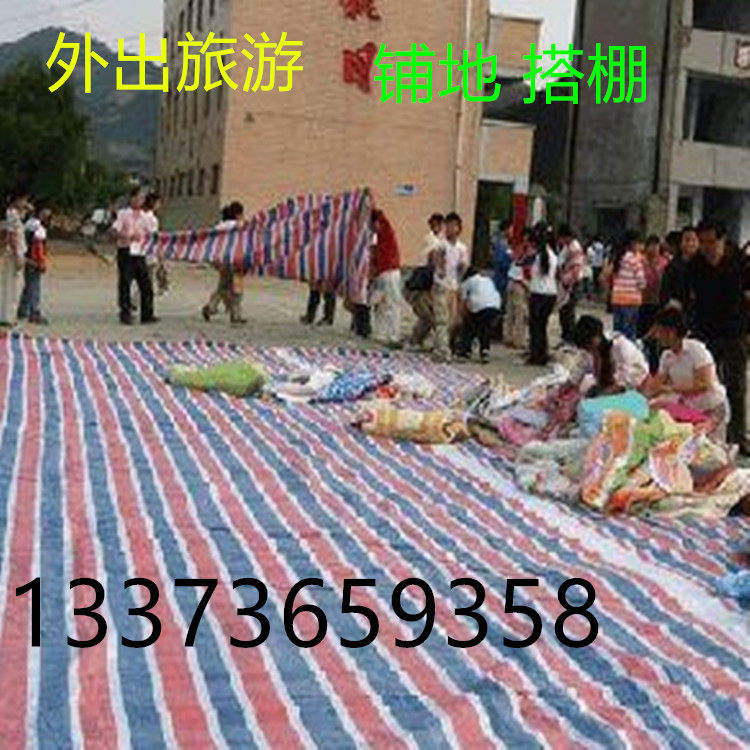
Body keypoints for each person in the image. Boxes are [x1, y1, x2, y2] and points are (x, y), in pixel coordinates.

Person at [688, 219, 750, 451]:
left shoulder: (739, 263)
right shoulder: (695, 265)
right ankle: (706, 434)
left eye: (711, 242)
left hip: (735, 333)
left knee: (736, 386)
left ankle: (738, 437)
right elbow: (688, 298)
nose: (706, 247)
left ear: (722, 240)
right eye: (702, 242)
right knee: (707, 387)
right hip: (705, 333)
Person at [647, 307, 729, 443]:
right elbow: (656, 384)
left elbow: (704, 384)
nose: (656, 336)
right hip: (691, 409)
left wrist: (669, 389)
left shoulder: (696, 350)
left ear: (671, 332)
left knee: (712, 448)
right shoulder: (666, 356)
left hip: (712, 408)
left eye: (659, 331)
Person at [572, 315, 649, 396]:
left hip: (635, 385)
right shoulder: (588, 350)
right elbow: (578, 371)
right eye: (586, 347)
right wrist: (565, 387)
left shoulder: (621, 346)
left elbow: (625, 380)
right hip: (610, 385)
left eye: (589, 344)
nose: (589, 349)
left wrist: (602, 394)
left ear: (598, 335)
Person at [431, 212, 469, 362]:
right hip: (441, 285)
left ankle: (442, 346)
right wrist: (440, 268)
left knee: (452, 321)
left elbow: (463, 267)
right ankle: (442, 350)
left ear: (458, 228)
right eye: (447, 225)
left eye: (453, 226)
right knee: (441, 319)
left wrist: (461, 271)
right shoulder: (441, 245)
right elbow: (437, 258)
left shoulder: (461, 248)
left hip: (453, 286)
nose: (449, 229)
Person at [202, 201, 247, 324]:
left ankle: (211, 308)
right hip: (236, 261)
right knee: (236, 289)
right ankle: (234, 315)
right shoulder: (239, 226)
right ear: (238, 214)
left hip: (222, 261)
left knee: (223, 287)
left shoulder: (219, 226)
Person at [405, 213, 443, 349]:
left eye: (439, 224)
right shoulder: (431, 241)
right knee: (427, 317)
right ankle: (414, 341)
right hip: (418, 288)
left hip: (424, 287)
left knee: (431, 316)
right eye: (434, 224)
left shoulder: (438, 242)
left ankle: (417, 340)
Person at [602, 231, 646, 340]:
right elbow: (641, 282)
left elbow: (606, 275)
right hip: (631, 300)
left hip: (617, 299)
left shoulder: (618, 257)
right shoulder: (635, 260)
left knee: (618, 332)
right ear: (633, 243)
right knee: (629, 334)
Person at [369, 209, 402, 347]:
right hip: (386, 272)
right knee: (387, 304)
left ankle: (385, 334)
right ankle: (388, 335)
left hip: (385, 271)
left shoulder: (381, 233)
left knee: (386, 304)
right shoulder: (380, 235)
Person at [527, 225, 558, 366]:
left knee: (535, 327)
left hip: (538, 293)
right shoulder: (553, 256)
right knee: (542, 326)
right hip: (550, 293)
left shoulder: (538, 257)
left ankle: (535, 355)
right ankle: (542, 354)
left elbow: (533, 274)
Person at [456, 267, 501, 363]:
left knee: (469, 326)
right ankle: (485, 350)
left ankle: (465, 350)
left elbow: (462, 301)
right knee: (485, 328)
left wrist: (461, 315)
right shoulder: (488, 280)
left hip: (479, 306)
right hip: (495, 305)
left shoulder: (468, 282)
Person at [638, 234, 668, 373]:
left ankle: (655, 368)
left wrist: (655, 268)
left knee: (656, 338)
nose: (654, 249)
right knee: (641, 336)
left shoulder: (664, 263)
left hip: (657, 304)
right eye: (651, 245)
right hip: (642, 303)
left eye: (656, 246)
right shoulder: (640, 262)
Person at [17, 206, 51, 324]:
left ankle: (23, 310)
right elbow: (38, 246)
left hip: (26, 258)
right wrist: (41, 261)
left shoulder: (28, 224)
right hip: (34, 260)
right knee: (35, 286)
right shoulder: (39, 227)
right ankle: (34, 312)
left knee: (28, 285)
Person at [0, 191, 30, 326]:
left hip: (15, 252)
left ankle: (8, 316)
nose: (25, 203)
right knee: (13, 285)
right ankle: (8, 317)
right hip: (14, 254)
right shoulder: (12, 214)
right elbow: (12, 236)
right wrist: (18, 254)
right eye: (23, 200)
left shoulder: (15, 214)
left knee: (15, 285)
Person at [504, 227, 534, 350]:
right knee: (519, 313)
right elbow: (527, 271)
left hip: (512, 281)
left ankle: (508, 336)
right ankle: (518, 340)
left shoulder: (518, 249)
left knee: (510, 312)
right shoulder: (529, 252)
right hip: (520, 283)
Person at [660, 226, 699, 317]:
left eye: (694, 240)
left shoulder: (704, 266)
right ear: (681, 243)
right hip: (677, 314)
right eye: (687, 240)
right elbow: (664, 293)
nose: (690, 244)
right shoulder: (672, 267)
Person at [556, 223, 585, 344]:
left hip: (571, 283)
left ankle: (570, 337)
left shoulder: (574, 248)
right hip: (565, 281)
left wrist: (567, 283)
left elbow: (576, 269)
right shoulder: (566, 247)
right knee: (563, 310)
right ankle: (565, 336)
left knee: (568, 311)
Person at [491, 219, 513, 341]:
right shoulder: (501, 245)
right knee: (499, 305)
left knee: (503, 306)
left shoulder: (507, 245)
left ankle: (498, 331)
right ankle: (495, 331)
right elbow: (498, 262)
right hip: (501, 279)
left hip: (504, 279)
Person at [142, 192, 167, 297]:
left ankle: (137, 298)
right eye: (158, 203)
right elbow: (154, 237)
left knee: (145, 277)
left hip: (140, 250)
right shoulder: (152, 219)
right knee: (148, 277)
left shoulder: (140, 216)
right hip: (149, 251)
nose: (159, 206)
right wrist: (160, 253)